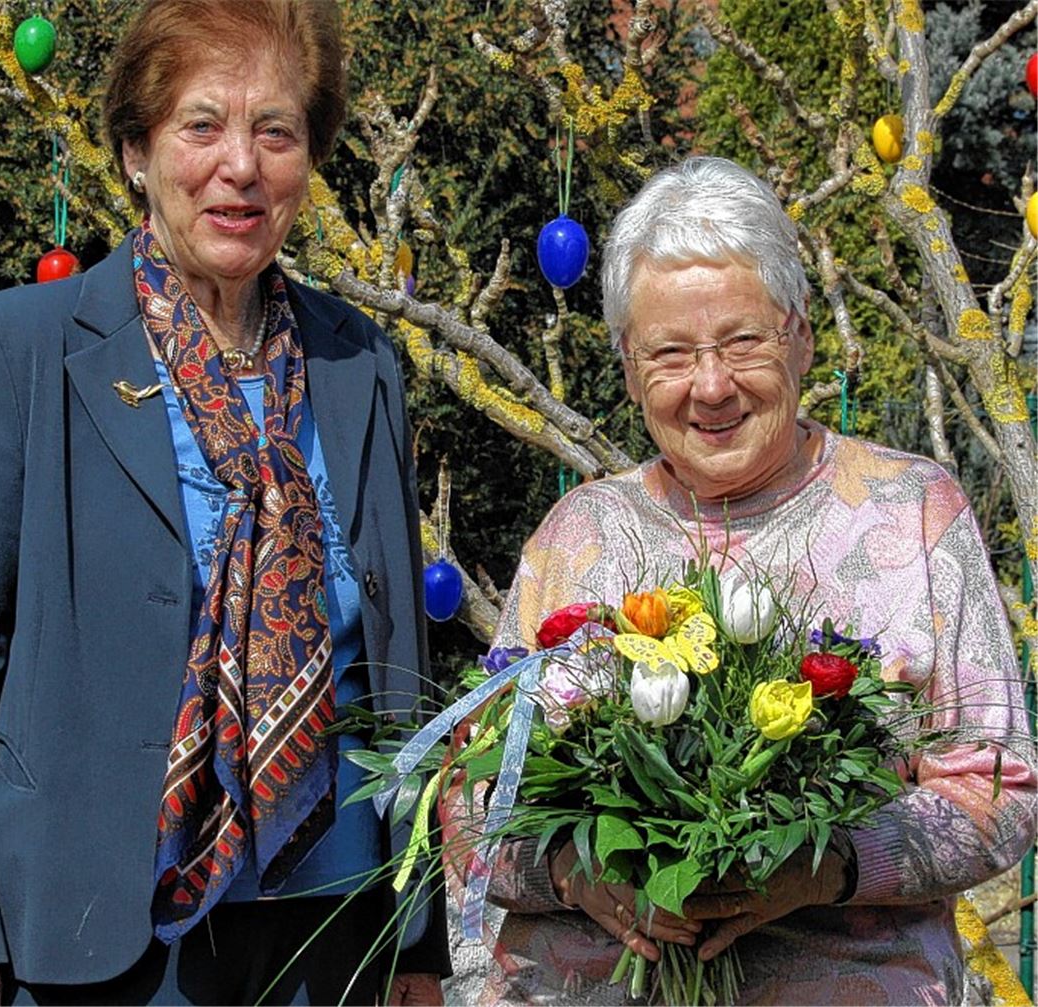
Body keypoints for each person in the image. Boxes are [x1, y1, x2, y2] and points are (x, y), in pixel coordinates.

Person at [0, 2, 449, 1004]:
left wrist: (417, 938)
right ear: (134, 151)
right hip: (94, 935)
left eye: (275, 131)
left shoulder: (357, 360)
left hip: (331, 928)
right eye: (202, 124)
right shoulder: (20, 350)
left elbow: (397, 664)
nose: (240, 164)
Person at [440, 156, 1036, 1005]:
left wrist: (823, 863)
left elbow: (998, 789)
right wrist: (582, 874)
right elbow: (468, 796)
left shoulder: (912, 511)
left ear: (800, 334)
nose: (711, 385)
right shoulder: (580, 536)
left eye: (744, 341)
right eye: (672, 353)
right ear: (625, 359)